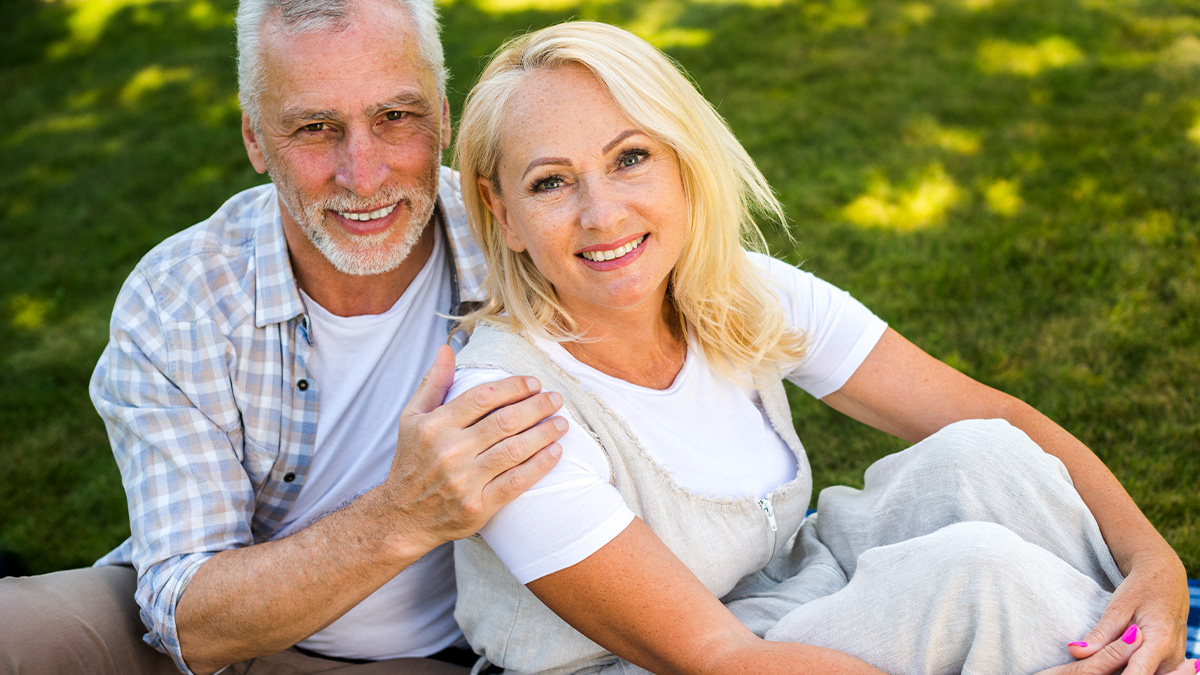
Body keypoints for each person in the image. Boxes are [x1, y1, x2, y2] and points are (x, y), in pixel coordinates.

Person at [447, 20, 1195, 675]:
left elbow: (995, 412)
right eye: (551, 182)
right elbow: (715, 657)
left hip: (784, 592)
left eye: (630, 157)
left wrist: (1155, 563)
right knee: (976, 577)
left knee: (982, 455)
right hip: (658, 663)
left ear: (680, 162)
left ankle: (1143, 636)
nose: (602, 213)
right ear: (502, 212)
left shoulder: (734, 290)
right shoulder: (507, 408)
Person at [0, 1, 567, 674]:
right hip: (223, 630)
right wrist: (402, 515)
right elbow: (189, 621)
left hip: (446, 654)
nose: (364, 174)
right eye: (314, 128)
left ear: (443, 116)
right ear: (255, 139)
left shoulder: (530, 237)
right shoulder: (179, 297)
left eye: (395, 117)